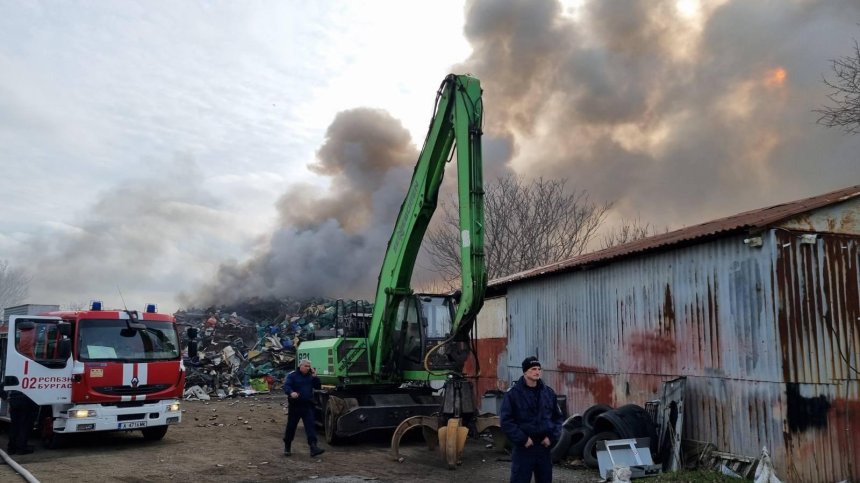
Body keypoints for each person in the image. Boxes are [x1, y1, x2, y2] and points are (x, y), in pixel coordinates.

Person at [499, 356, 564, 483]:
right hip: (524, 448)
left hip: (543, 448)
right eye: (533, 369)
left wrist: (551, 437)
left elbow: (558, 418)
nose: (537, 371)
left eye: (539, 369)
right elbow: (506, 421)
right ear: (525, 371)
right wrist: (523, 439)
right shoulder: (513, 394)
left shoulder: (548, 393)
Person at [282, 359, 325, 457]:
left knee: (310, 427)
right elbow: (286, 386)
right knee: (291, 427)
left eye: (309, 366)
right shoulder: (292, 376)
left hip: (307, 406)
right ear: (300, 366)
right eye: (306, 366)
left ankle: (313, 447)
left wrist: (315, 377)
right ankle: (287, 446)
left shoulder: (310, 377)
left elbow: (318, 386)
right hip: (295, 406)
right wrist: (291, 392)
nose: (308, 368)